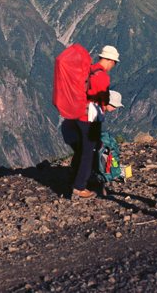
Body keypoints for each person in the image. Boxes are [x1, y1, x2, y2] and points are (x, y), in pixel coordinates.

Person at [68, 45, 119, 199]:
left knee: (81, 150)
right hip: (90, 118)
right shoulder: (102, 76)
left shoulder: (88, 70)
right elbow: (101, 98)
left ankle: (74, 179)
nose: (113, 66)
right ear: (109, 60)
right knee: (89, 152)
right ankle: (79, 187)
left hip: (77, 114)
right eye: (114, 62)